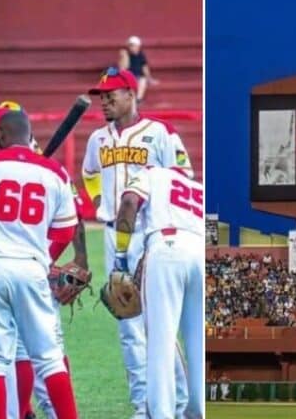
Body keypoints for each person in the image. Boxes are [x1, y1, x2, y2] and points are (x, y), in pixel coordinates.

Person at [0, 109, 79, 419]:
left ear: (0, 135)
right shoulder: (55, 172)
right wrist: (44, 253)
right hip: (32, 266)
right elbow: (66, 229)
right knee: (48, 357)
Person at [83, 66, 193, 418]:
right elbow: (89, 176)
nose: (104, 101)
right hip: (114, 231)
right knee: (127, 324)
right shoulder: (97, 139)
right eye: (101, 96)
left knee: (158, 323)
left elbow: (183, 177)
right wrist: (103, 203)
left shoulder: (160, 133)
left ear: (132, 94)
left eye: (111, 94)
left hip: (148, 232)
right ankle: (142, 406)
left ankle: (178, 401)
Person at [115, 166, 204, 418]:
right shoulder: (198, 188)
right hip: (200, 252)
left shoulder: (153, 173)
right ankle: (197, 411)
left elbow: (130, 201)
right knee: (197, 343)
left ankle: (161, 414)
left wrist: (121, 256)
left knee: (160, 341)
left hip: (166, 246)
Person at [118, 36, 158, 104]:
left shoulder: (141, 55)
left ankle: (138, 99)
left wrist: (149, 78)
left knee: (143, 80)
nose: (133, 48)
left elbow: (144, 67)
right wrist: (124, 56)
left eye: (134, 46)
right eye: (131, 46)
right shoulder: (125, 54)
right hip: (128, 76)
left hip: (138, 76)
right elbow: (123, 68)